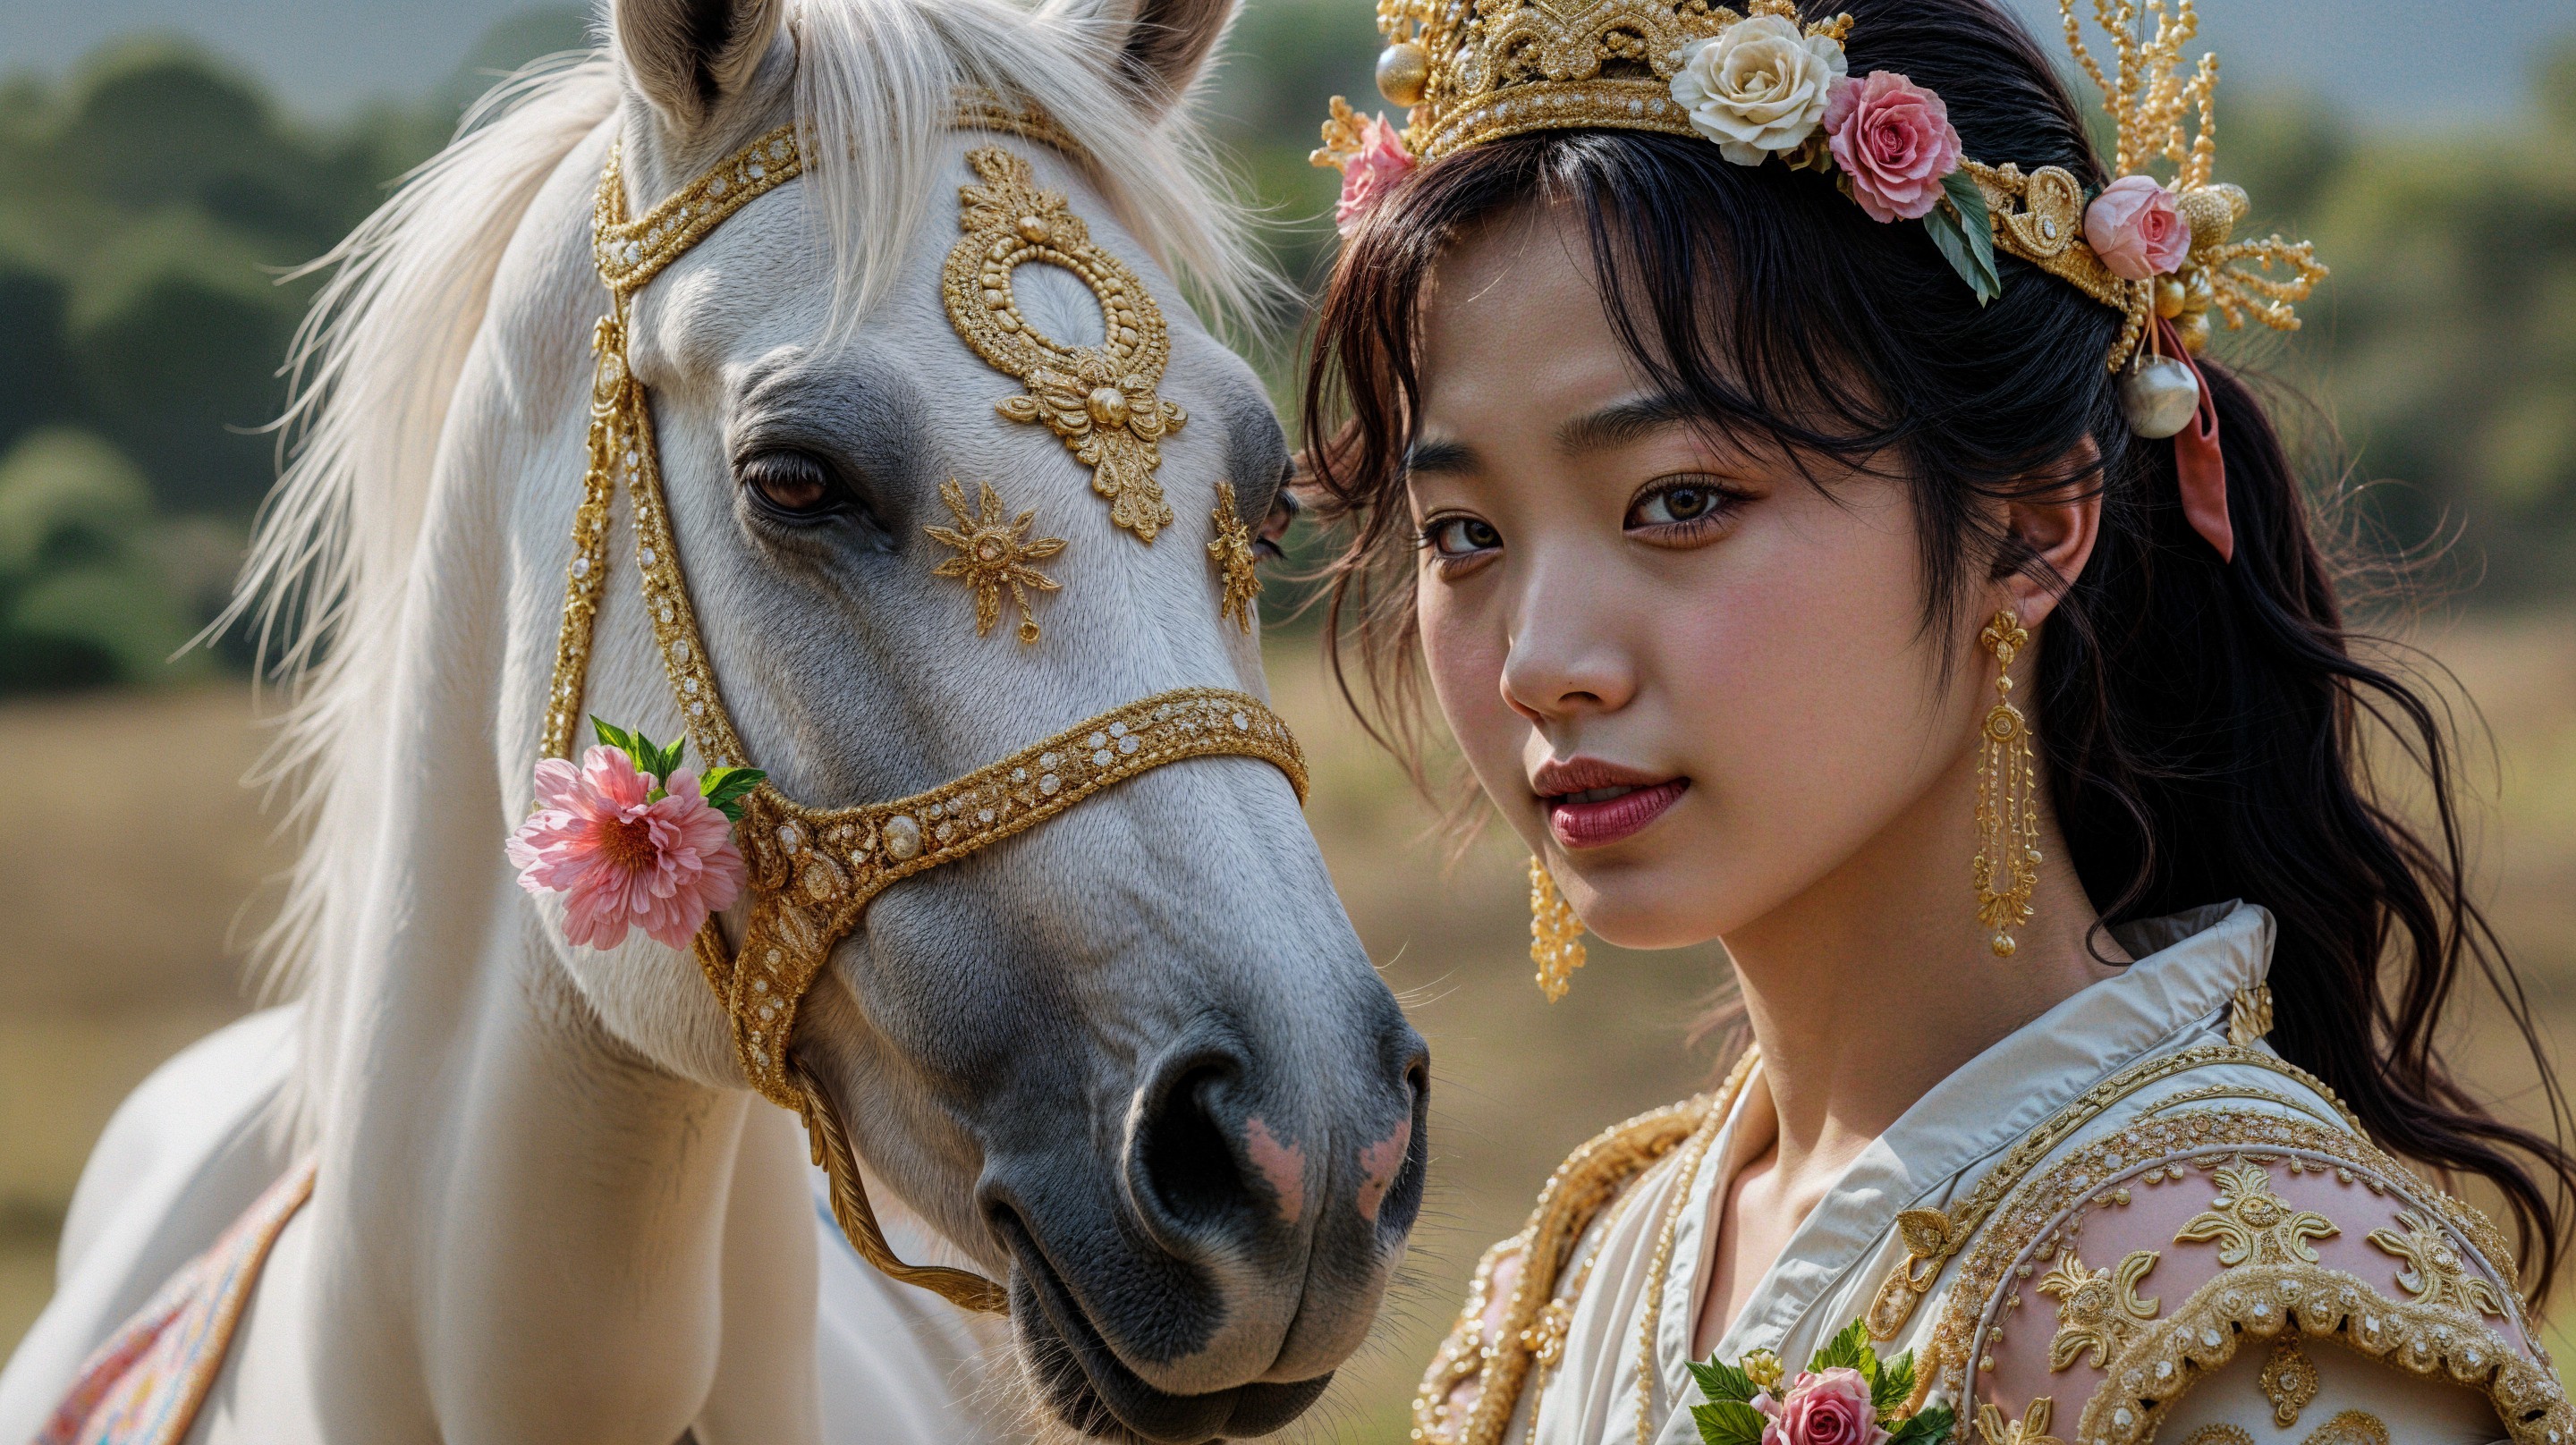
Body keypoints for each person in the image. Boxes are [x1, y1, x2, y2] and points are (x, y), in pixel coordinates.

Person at [1299, 2, 2576, 1442]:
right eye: (1464, 535)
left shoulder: (2266, 1321)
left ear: (2031, 529)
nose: (1542, 663)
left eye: (1681, 502)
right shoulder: (1577, 1270)